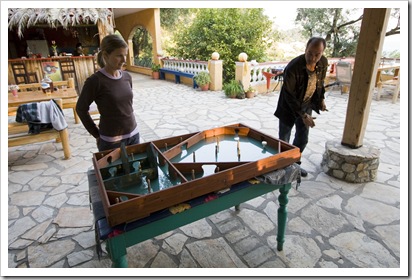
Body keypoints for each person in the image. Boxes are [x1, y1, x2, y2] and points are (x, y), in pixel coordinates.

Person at [274, 37, 328, 177]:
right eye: (310, 53)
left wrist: (321, 99)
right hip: (289, 107)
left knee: (302, 139)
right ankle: (283, 168)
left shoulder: (322, 62)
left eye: (317, 54)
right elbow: (289, 96)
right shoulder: (293, 67)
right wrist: (303, 115)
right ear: (305, 49)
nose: (313, 57)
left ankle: (294, 165)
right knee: (284, 140)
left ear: (322, 52)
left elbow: (320, 83)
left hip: (306, 105)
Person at [76, 34, 140, 152]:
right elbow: (81, 108)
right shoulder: (95, 81)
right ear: (106, 55)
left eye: (125, 55)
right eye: (119, 56)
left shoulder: (127, 77)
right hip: (111, 141)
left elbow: (126, 106)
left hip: (134, 136)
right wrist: (96, 133)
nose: (124, 60)